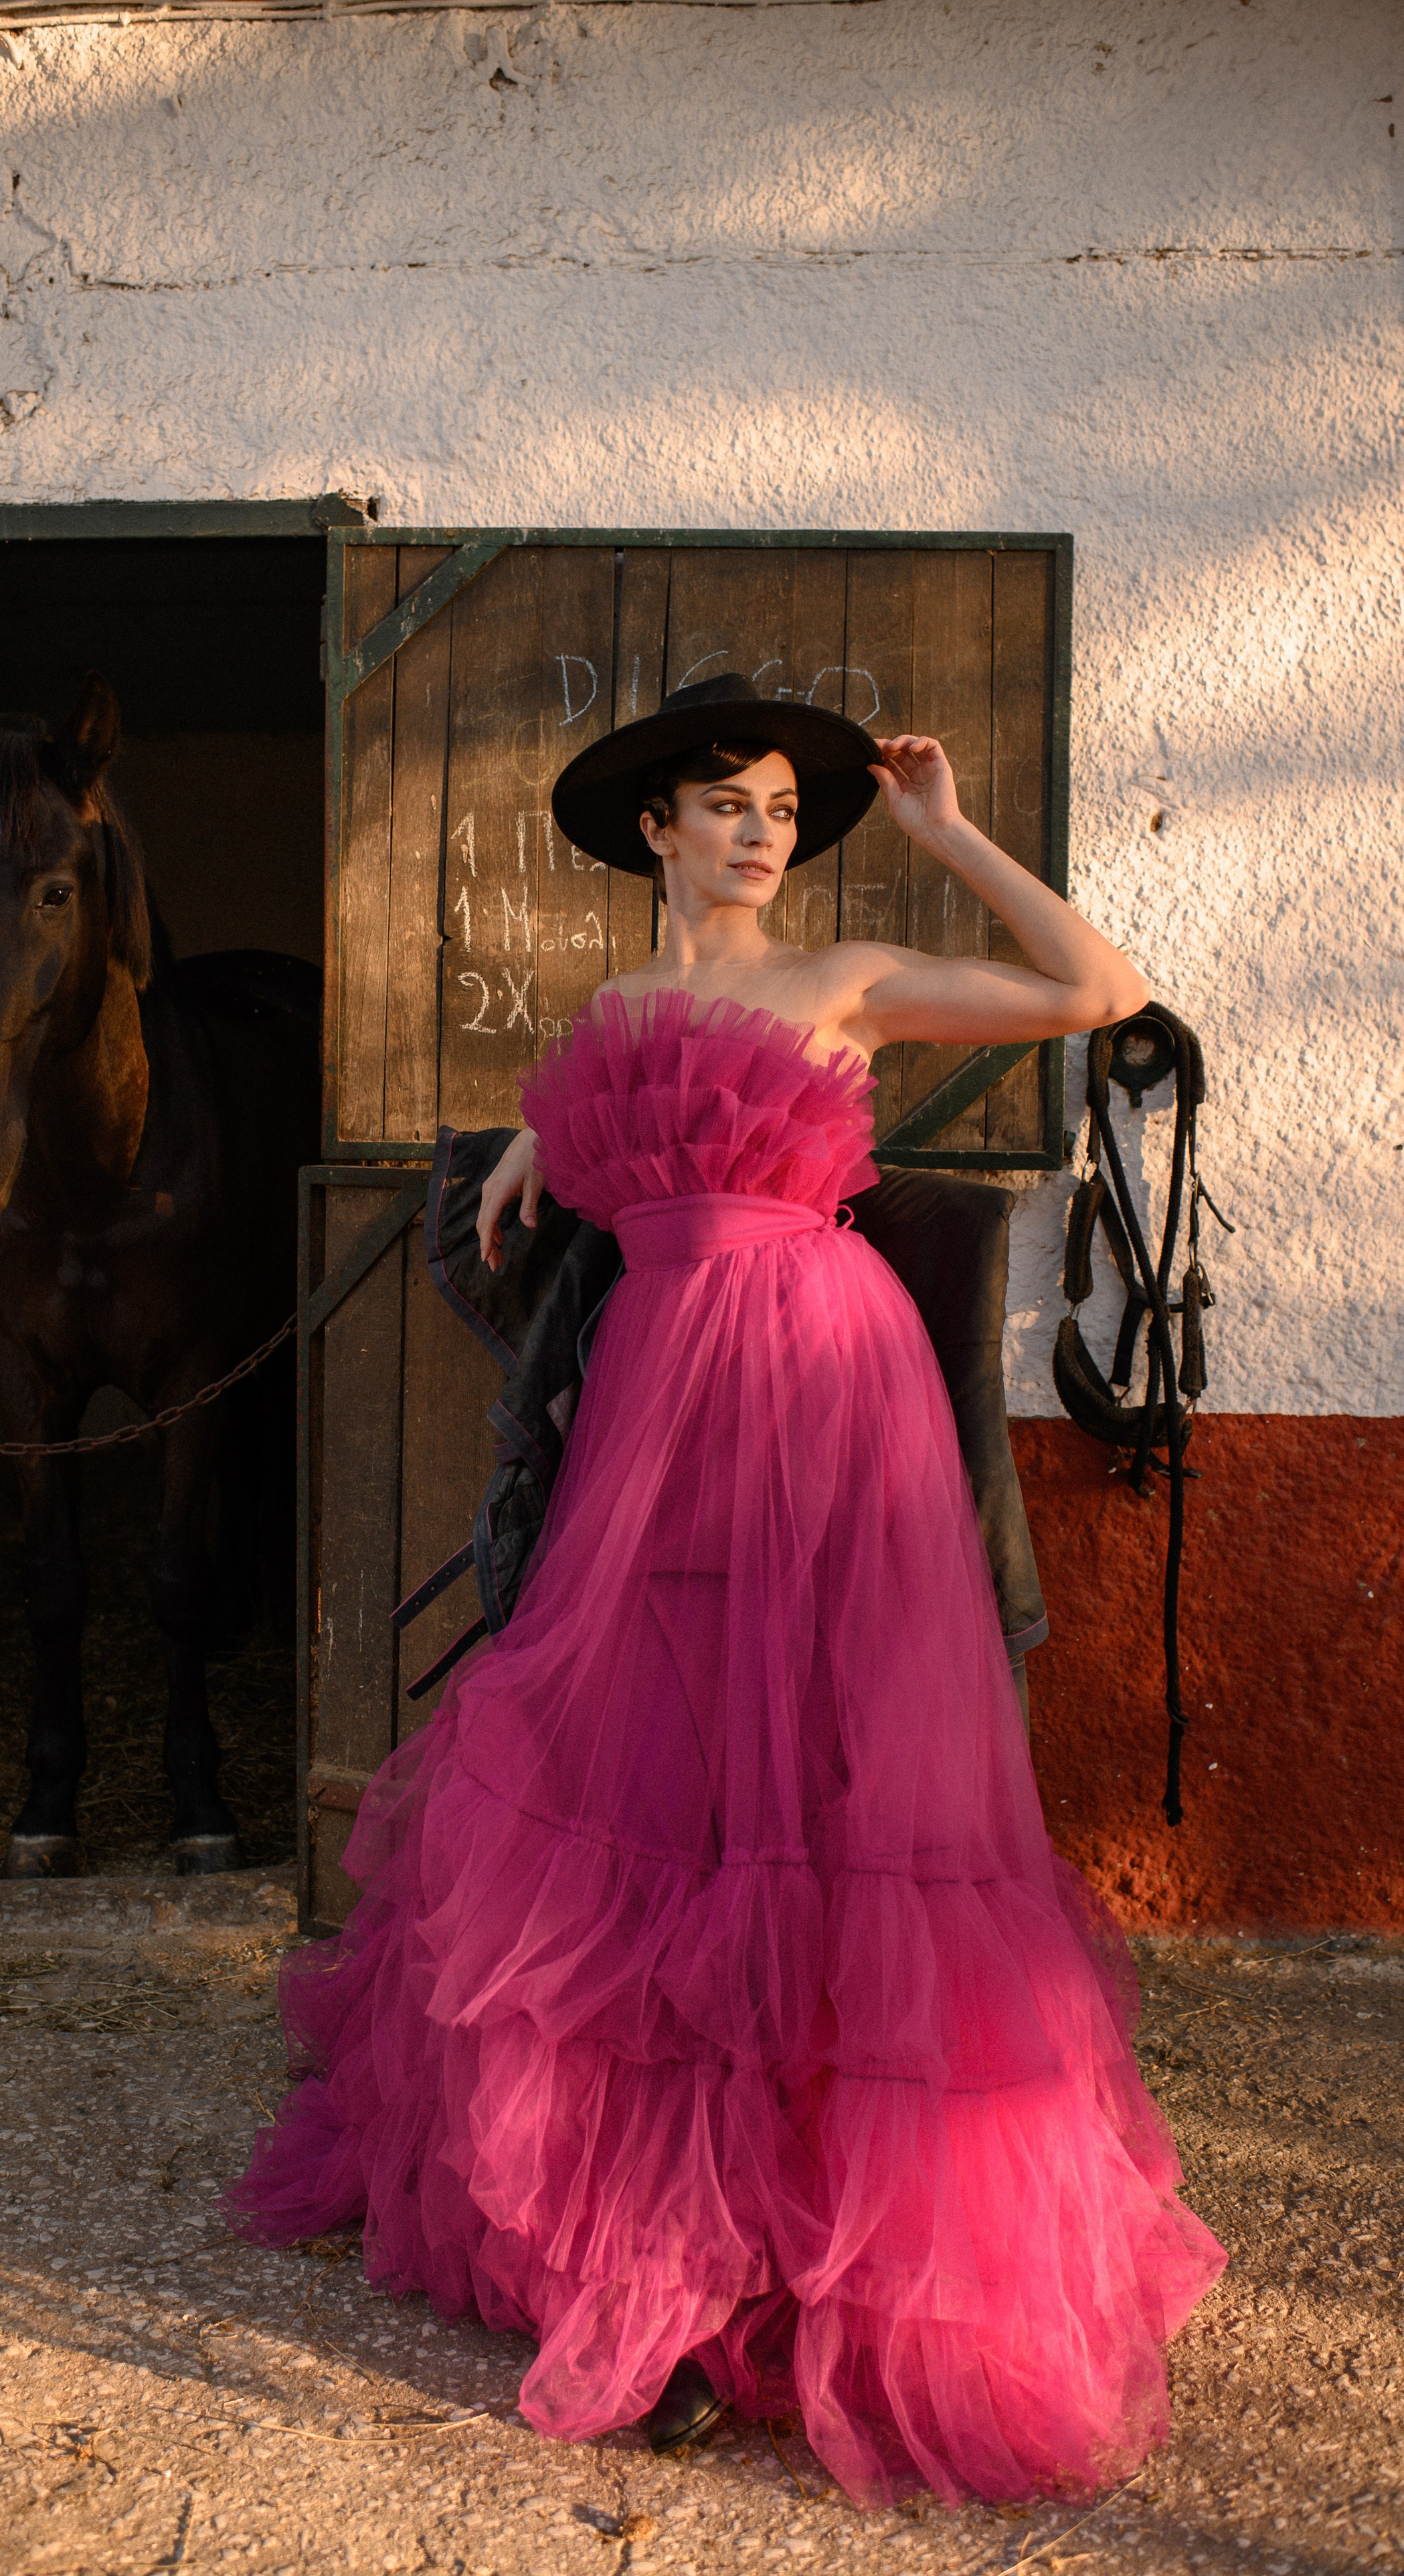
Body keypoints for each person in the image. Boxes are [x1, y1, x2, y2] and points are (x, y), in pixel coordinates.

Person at [225, 674, 1225, 2506]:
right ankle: (648, 2252)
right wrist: (546, 1143)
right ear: (658, 832)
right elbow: (617, 1149)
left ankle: (813, 2239)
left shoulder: (839, 970)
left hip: (821, 1390)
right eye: (733, 802)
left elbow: (1099, 991)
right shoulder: (612, 1014)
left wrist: (939, 836)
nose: (767, 826)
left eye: (783, 803)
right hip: (658, 1412)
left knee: (827, 1787)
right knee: (659, 1774)